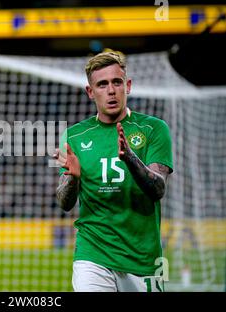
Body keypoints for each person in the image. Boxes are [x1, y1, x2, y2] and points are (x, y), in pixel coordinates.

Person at [53, 51, 173, 292]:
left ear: (127, 86)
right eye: (102, 84)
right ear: (90, 92)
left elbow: (158, 189)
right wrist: (74, 179)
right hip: (93, 254)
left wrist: (130, 158)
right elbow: (64, 202)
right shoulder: (74, 136)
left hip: (143, 258)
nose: (111, 90)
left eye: (117, 82)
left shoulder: (154, 129)